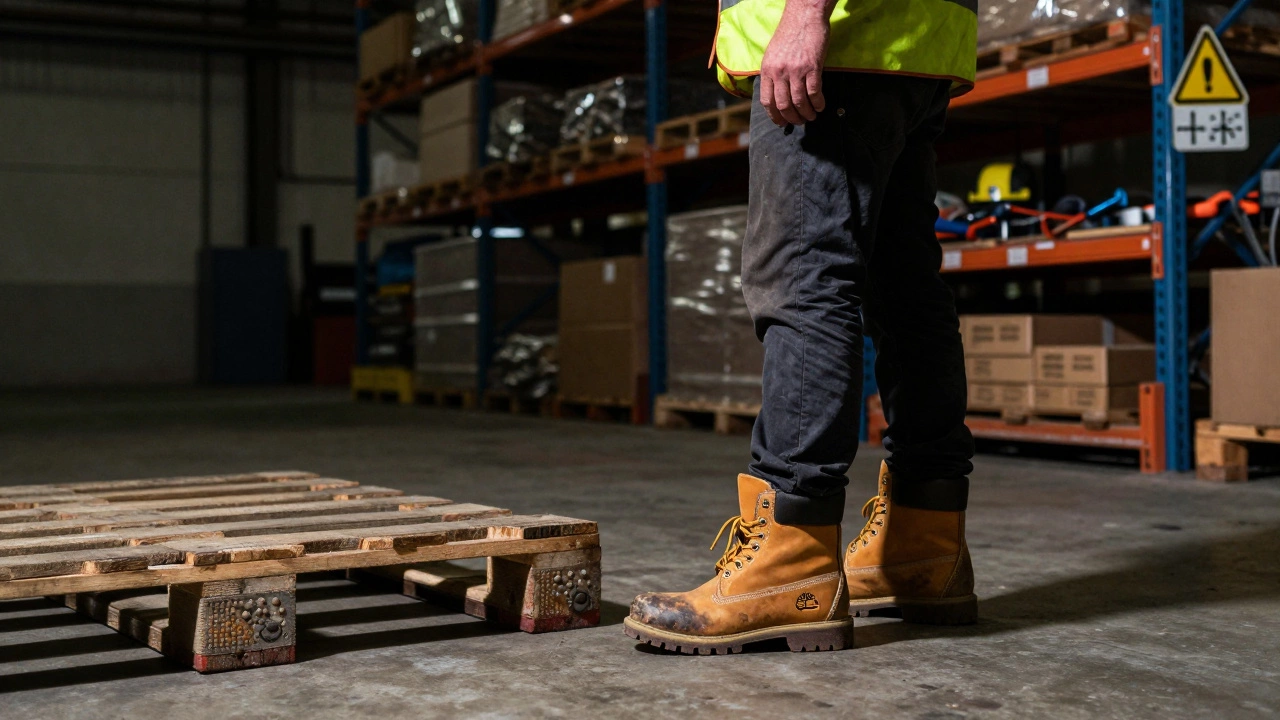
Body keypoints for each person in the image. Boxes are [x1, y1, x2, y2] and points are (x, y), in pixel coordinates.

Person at [623, 0, 979, 653]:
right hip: (918, 43)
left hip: (841, 36)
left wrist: (805, 12)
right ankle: (923, 547)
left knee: (803, 279)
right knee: (902, 290)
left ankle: (789, 557)